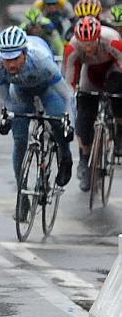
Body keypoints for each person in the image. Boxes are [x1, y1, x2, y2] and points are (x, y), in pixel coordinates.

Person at [0, 26, 73, 219]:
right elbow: (5, 99)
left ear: (25, 53)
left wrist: (69, 122)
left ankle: (65, 157)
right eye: (6, 59)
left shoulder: (42, 62)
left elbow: (67, 96)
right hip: (19, 92)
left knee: (57, 121)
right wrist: (6, 117)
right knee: (19, 140)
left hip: (47, 89)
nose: (10, 64)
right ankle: (22, 196)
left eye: (15, 58)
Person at [63, 16, 122, 190]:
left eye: (91, 43)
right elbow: (69, 81)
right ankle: (84, 159)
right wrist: (73, 97)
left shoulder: (112, 41)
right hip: (89, 73)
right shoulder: (72, 48)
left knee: (118, 95)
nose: (88, 48)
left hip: (112, 69)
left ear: (98, 38)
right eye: (84, 43)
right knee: (84, 118)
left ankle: (119, 134)